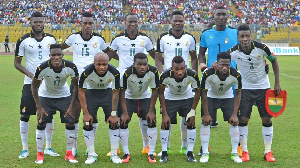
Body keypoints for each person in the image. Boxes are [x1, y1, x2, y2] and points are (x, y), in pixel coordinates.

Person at [61, 12, 114, 156]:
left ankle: (89, 148)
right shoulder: (73, 37)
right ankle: (74, 147)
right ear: (81, 24)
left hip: (93, 83)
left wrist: (101, 67)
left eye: (90, 23)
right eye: (85, 23)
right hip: (77, 81)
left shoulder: (99, 39)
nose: (87, 26)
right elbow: (59, 48)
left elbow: (110, 53)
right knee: (74, 115)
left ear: (93, 25)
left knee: (91, 116)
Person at [228, 24, 281, 162]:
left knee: (266, 119)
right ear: (238, 38)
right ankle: (245, 151)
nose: (245, 39)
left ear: (251, 36)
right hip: (245, 89)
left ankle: (268, 151)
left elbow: (274, 61)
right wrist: (216, 64)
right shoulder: (233, 51)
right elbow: (223, 61)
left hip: (264, 88)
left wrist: (277, 83)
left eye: (247, 36)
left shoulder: (261, 48)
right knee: (243, 119)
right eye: (242, 36)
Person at [108, 12, 156, 160]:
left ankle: (147, 147)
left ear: (138, 23)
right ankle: (117, 149)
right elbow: (108, 56)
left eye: (135, 21)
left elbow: (155, 56)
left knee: (146, 119)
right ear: (125, 23)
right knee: (122, 119)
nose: (132, 24)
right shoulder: (118, 39)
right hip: (125, 84)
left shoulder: (145, 39)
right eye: (130, 22)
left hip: (142, 84)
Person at [14, 11, 58, 159]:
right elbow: (17, 63)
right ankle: (24, 148)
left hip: (47, 85)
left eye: (40, 22)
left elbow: (56, 59)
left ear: (43, 22)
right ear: (30, 23)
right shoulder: (23, 40)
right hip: (29, 84)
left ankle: (48, 147)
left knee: (48, 115)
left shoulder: (51, 39)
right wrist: (32, 76)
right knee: (25, 115)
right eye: (35, 22)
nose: (38, 24)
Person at [155, 10, 198, 156]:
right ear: (171, 21)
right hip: (168, 81)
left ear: (183, 22)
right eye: (175, 20)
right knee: (167, 116)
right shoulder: (162, 38)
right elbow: (157, 59)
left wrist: (193, 76)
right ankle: (165, 148)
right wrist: (162, 76)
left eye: (180, 21)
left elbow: (193, 58)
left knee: (186, 116)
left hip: (184, 78)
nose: (178, 23)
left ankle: (185, 146)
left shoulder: (190, 38)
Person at [31, 44, 79, 164]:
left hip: (63, 96)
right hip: (45, 96)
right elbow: (34, 86)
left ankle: (69, 153)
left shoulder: (71, 66)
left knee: (70, 122)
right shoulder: (42, 68)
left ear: (63, 55)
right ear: (50, 56)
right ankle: (40, 154)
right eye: (53, 55)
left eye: (59, 55)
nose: (56, 57)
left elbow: (76, 86)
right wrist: (38, 106)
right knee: (41, 122)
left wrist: (72, 106)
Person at [78, 52, 121, 164]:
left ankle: (114, 154)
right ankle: (91, 154)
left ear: (108, 63)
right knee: (88, 123)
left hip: (107, 94)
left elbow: (116, 93)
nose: (101, 67)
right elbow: (81, 92)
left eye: (104, 64)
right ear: (94, 63)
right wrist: (85, 113)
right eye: (98, 64)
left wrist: (113, 113)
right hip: (91, 93)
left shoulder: (115, 72)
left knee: (114, 122)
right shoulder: (86, 72)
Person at [199, 6, 238, 128]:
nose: (221, 17)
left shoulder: (235, 33)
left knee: (233, 112)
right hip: (212, 75)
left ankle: (236, 142)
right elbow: (201, 53)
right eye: (218, 14)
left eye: (223, 14)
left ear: (227, 17)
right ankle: (213, 120)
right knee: (209, 102)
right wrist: (204, 68)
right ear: (214, 16)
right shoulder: (206, 34)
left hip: (230, 75)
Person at [199, 52, 242, 163]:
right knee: (206, 122)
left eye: (227, 65)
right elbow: (203, 92)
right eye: (221, 65)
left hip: (227, 97)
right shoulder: (208, 73)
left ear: (230, 64)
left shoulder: (236, 74)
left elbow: (238, 93)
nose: (224, 67)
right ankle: (204, 152)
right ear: (216, 64)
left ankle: (234, 152)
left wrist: (234, 114)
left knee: (234, 122)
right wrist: (206, 113)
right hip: (211, 97)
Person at [118, 53, 159, 163]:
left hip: (145, 98)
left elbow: (155, 90)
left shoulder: (153, 71)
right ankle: (126, 153)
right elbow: (121, 92)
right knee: (123, 122)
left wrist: (151, 110)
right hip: (128, 98)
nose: (142, 67)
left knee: (152, 121)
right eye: (139, 64)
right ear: (134, 64)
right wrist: (125, 112)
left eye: (144, 64)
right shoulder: (126, 73)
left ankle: (151, 153)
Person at [159, 56, 200, 163]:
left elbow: (198, 92)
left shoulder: (192, 74)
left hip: (186, 98)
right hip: (170, 98)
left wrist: (193, 110)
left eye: (182, 69)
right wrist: (164, 113)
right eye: (177, 69)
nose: (180, 72)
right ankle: (164, 152)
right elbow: (161, 93)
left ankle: (190, 152)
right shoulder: (165, 75)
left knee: (190, 123)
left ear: (186, 67)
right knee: (165, 124)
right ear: (172, 68)